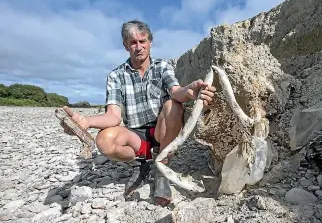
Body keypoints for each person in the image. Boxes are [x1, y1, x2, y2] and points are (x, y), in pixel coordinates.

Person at [61, 20, 216, 206]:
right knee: (104, 140)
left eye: (143, 41)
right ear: (126, 45)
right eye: (133, 42)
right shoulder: (116, 76)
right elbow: (113, 116)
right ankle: (141, 164)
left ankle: (162, 168)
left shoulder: (162, 67)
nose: (138, 47)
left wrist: (190, 91)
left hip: (161, 130)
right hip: (136, 135)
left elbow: (176, 92)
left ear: (150, 42)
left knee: (173, 105)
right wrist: (86, 121)